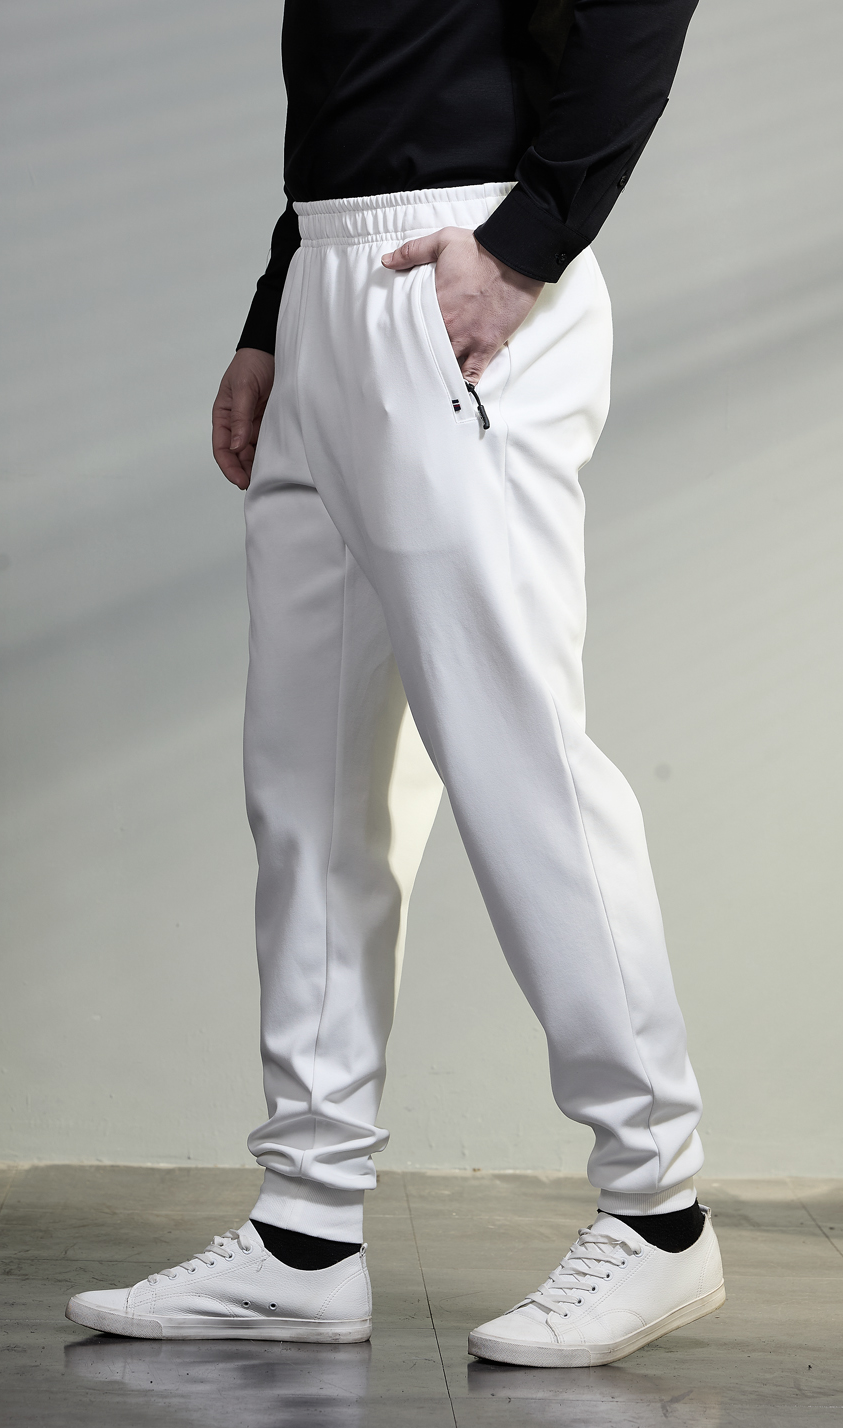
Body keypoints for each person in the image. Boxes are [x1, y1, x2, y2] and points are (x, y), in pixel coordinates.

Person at [66, 0, 726, 1366]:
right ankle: (305, 1237)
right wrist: (276, 311)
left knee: (517, 761)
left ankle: (660, 1210)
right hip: (329, 274)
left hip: (456, 265)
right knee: (308, 784)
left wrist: (526, 244)